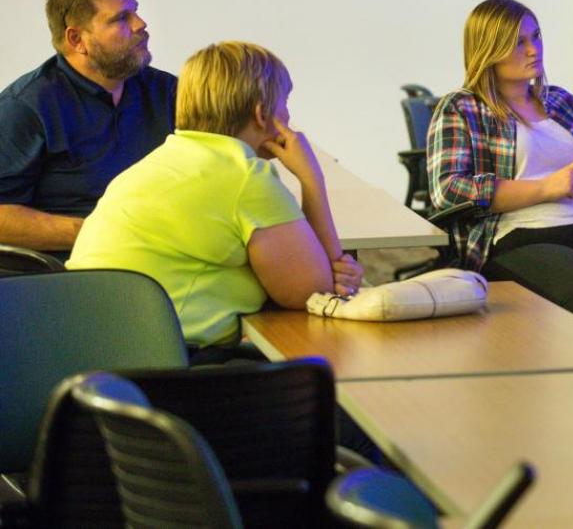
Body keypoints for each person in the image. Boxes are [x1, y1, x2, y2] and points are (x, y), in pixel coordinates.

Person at [68, 41, 362, 361]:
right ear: (262, 114)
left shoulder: (164, 160)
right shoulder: (244, 177)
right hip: (166, 370)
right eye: (285, 103)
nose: (289, 116)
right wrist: (312, 179)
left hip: (92, 362)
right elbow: (315, 294)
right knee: (326, 381)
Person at [427, 0, 573, 321]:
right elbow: (447, 191)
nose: (534, 50)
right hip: (519, 239)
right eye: (518, 43)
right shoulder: (462, 108)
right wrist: (547, 188)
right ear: (488, 50)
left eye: (536, 36)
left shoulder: (563, 102)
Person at [0, 0, 177, 256]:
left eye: (135, 11)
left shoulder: (166, 91)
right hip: (76, 280)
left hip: (164, 258)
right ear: (76, 40)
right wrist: (102, 232)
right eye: (121, 18)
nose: (140, 24)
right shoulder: (26, 107)